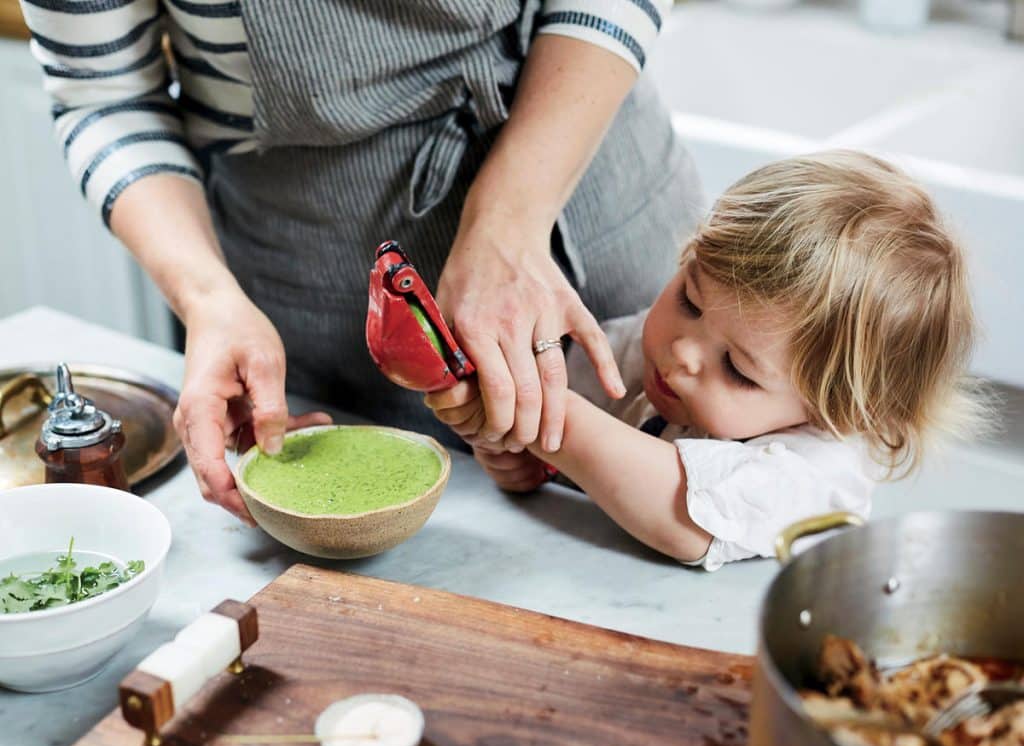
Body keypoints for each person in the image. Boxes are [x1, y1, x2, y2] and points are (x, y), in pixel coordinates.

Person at [19, 0, 702, 523]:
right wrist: (208, 300)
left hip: (586, 190)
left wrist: (510, 223)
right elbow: (102, 93)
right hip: (312, 293)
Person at [426, 151, 990, 570]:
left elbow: (681, 510)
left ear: (836, 412)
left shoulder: (817, 476)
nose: (683, 353)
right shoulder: (646, 359)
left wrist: (550, 421)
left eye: (739, 370)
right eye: (689, 300)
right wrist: (515, 441)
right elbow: (563, 423)